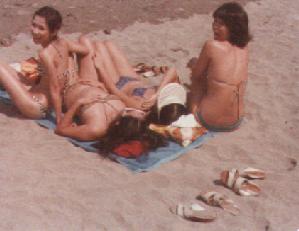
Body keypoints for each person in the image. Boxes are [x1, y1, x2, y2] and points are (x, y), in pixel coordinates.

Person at [55, 36, 187, 141]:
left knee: (94, 46)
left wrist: (100, 68)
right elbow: (173, 71)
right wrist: (157, 93)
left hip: (116, 83)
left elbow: (114, 90)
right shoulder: (161, 98)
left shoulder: (142, 107)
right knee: (107, 44)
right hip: (131, 78)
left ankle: (66, 55)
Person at [0, 6, 89, 121]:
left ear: (54, 31)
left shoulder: (45, 54)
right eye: (33, 25)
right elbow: (86, 50)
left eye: (41, 28)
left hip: (37, 107)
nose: (35, 31)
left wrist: (58, 119)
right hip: (40, 97)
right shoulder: (64, 43)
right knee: (9, 68)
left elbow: (55, 87)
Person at [189, 2, 251, 131]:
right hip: (236, 122)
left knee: (196, 81)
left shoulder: (211, 46)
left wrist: (193, 66)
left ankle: (193, 112)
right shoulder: (244, 48)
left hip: (208, 121)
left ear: (233, 27)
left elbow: (196, 76)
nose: (215, 28)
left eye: (220, 24)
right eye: (214, 22)